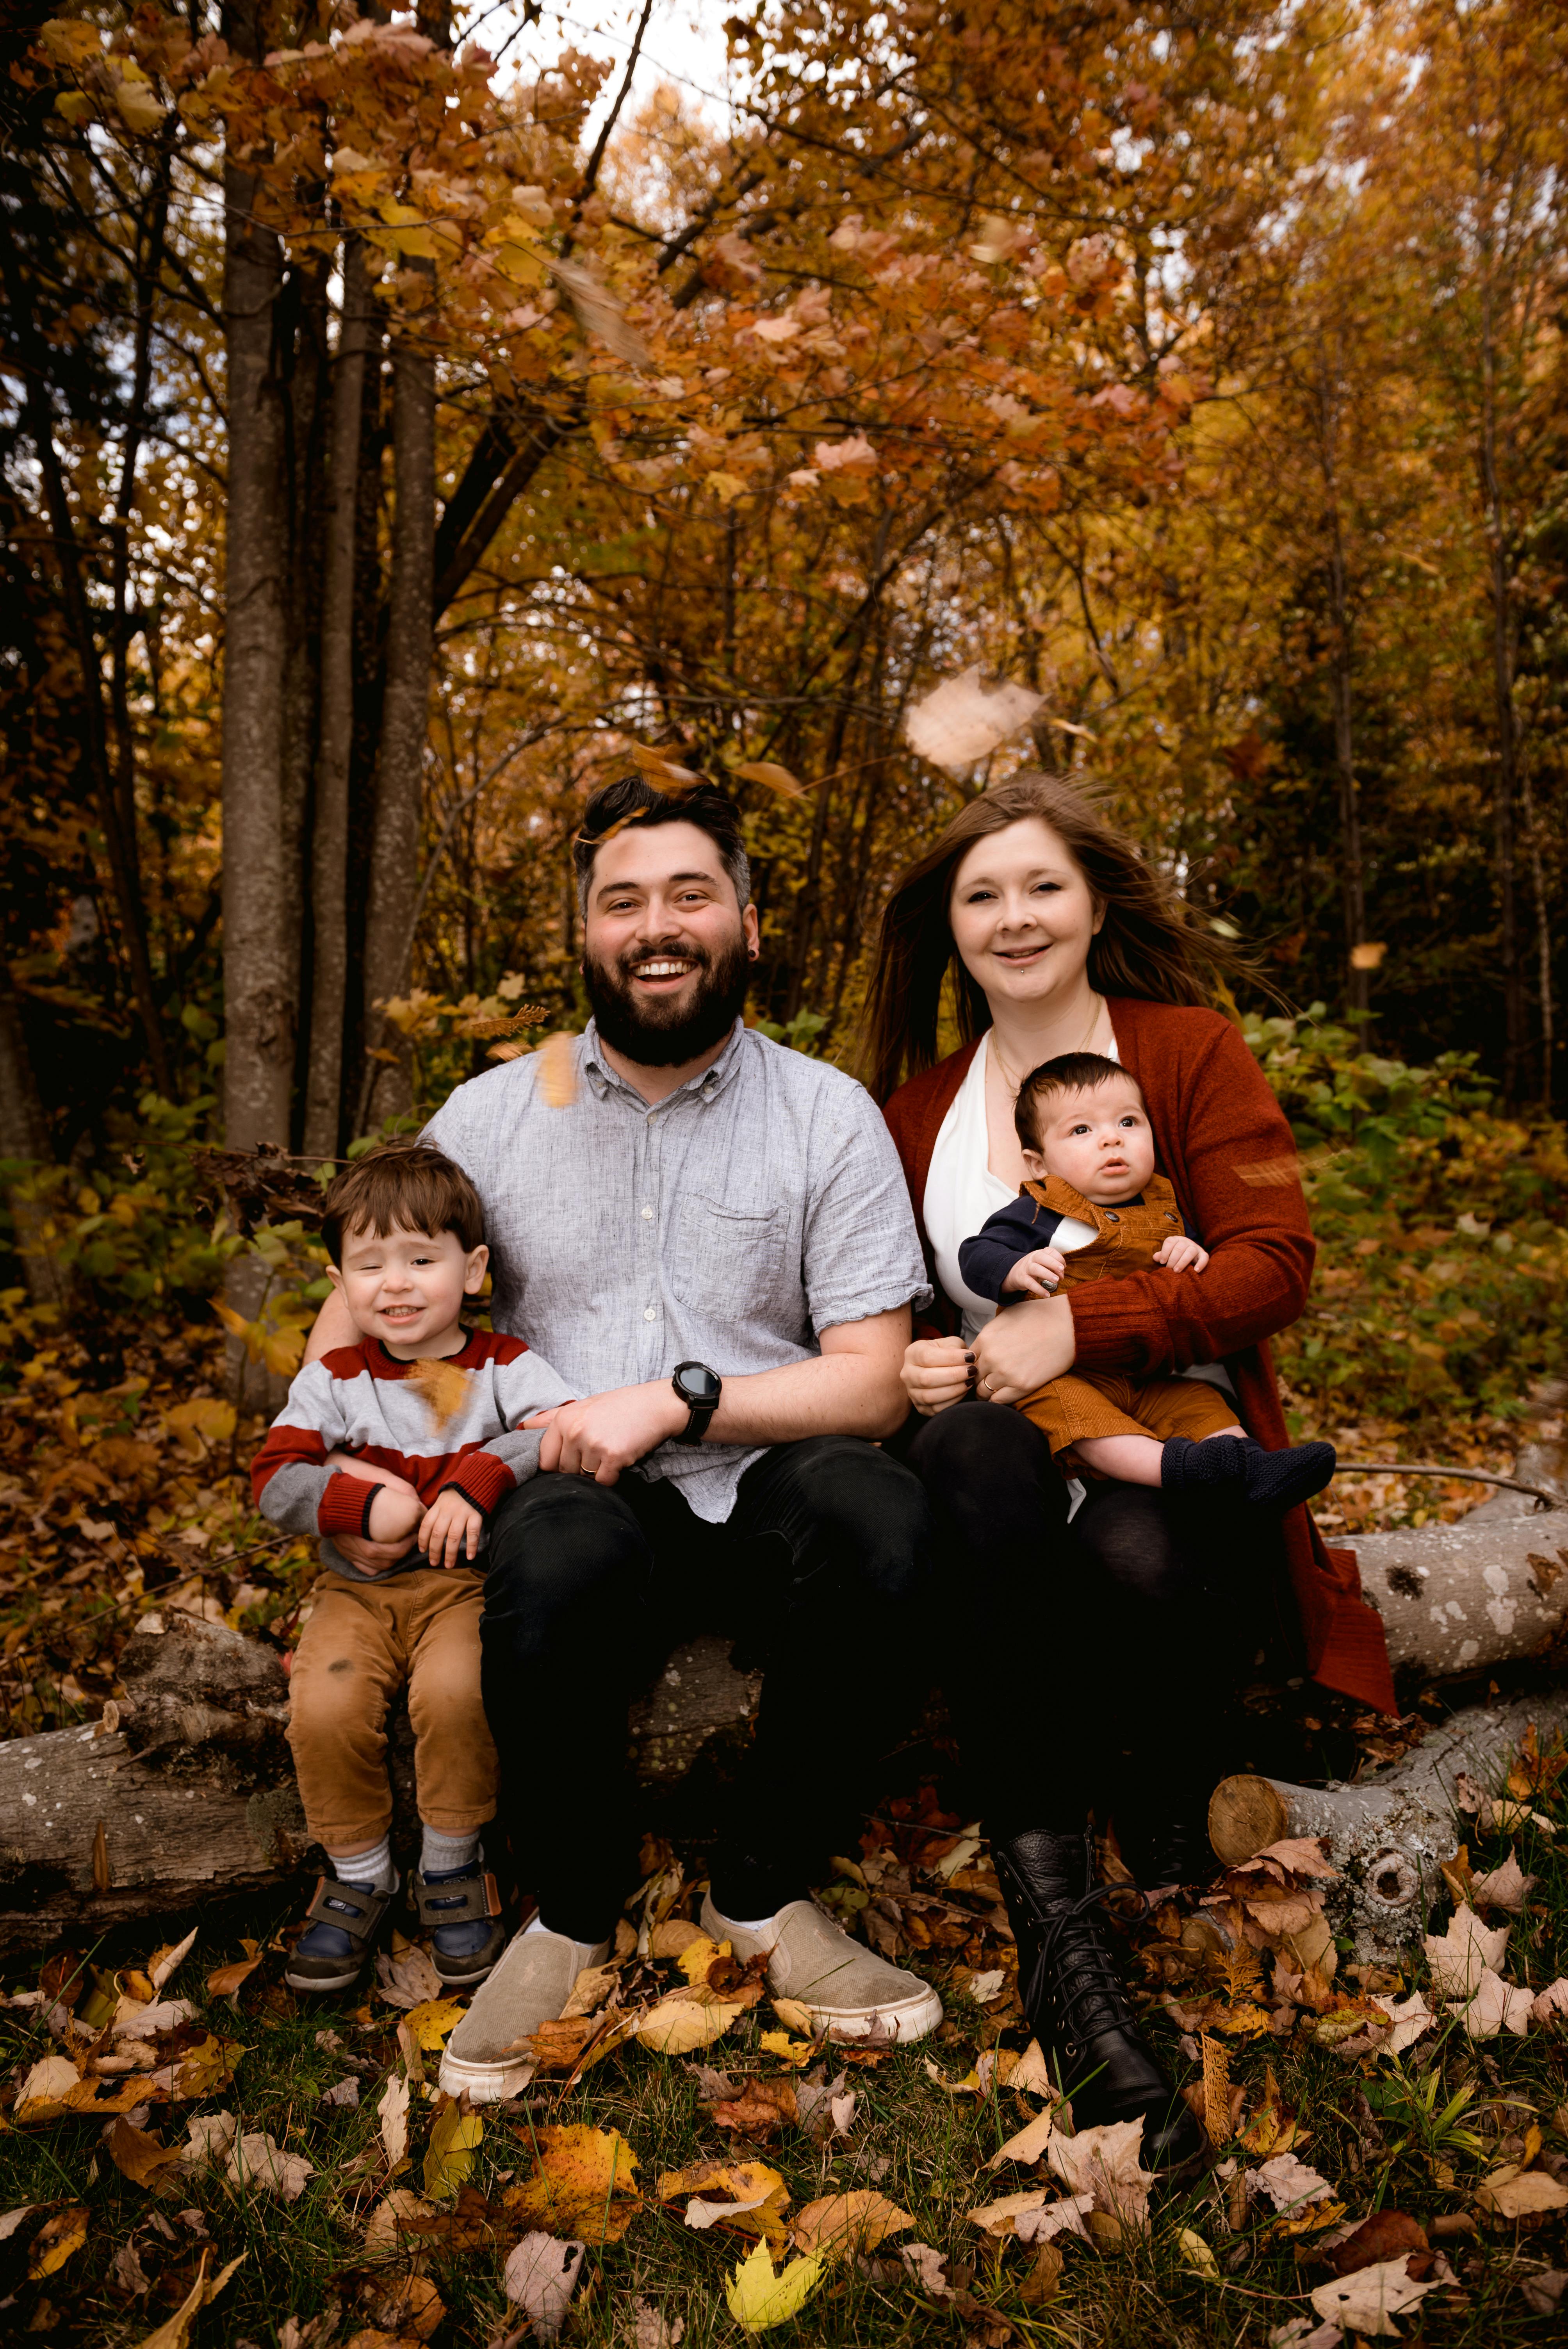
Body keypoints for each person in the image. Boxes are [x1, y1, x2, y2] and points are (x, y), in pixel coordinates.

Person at [301, 775, 944, 2103]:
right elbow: (357, 1306)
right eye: (622, 900)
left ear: (748, 924)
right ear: (587, 934)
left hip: (764, 1468)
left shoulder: (826, 1113)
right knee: (547, 1549)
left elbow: (874, 1381)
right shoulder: (489, 1114)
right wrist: (338, 1467)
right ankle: (577, 1910)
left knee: (883, 1515)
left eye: (689, 894)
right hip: (577, 1492)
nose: (656, 925)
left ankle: (759, 1892)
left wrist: (679, 1398)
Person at [869, 771, 1394, 2167]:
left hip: (1164, 1434)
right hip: (1003, 1452)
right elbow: (897, 1304)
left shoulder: (1186, 1047)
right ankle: (1063, 1938)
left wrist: (1082, 1317)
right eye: (981, 892)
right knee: (974, 1444)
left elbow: (1273, 1262)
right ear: (952, 926)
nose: (1014, 914)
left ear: (1098, 899)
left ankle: (1162, 1768)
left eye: (1042, 883)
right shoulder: (915, 1105)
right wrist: (921, 1357)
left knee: (1141, 1549)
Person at [253, 1144, 574, 1994]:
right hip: (354, 1592)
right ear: (340, 1280)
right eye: (369, 1265)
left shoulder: (503, 1364)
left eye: (420, 1259)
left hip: (463, 1587)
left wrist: (480, 1475)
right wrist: (357, 1505)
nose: (394, 1284)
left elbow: (561, 1432)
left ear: (471, 1271)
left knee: (458, 1694)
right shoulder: (334, 1379)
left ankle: (450, 1866)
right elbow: (273, 1478)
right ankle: (359, 1871)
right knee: (325, 1702)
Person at [958, 1050, 1336, 1508]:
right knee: (1079, 1419)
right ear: (1038, 1164)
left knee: (1200, 1402)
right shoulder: (1040, 1211)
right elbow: (975, 1254)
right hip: (1063, 1374)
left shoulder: (1164, 1206)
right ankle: (1176, 1471)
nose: (1110, 1141)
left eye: (1127, 1123)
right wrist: (1012, 1269)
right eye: (1081, 1130)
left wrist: (1190, 1250)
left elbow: (1205, 1275)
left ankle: (1252, 1469)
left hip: (1149, 1373)